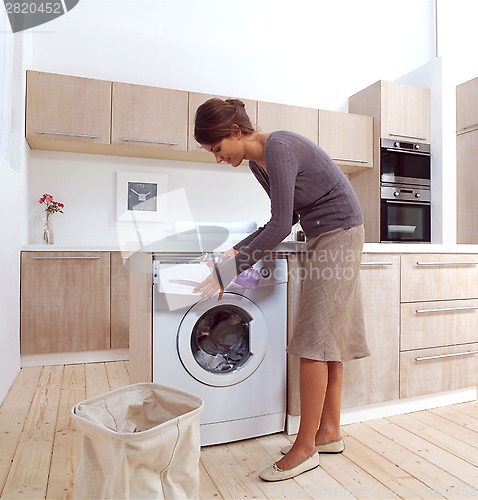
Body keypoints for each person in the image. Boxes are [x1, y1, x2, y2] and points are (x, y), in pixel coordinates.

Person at [193, 98, 370, 482]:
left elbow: (277, 228)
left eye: (217, 149)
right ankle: (328, 433)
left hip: (339, 234)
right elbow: (284, 219)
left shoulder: (280, 148)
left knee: (312, 341)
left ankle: (305, 449)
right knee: (327, 339)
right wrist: (237, 252)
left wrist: (231, 266)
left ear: (236, 133)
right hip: (327, 234)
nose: (217, 158)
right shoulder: (260, 163)